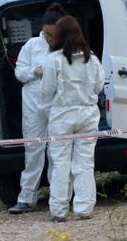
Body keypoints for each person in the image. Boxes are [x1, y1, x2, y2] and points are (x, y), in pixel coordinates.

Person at [41, 16, 105, 222]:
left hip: (62, 115)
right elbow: (99, 87)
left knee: (60, 163)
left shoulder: (54, 59)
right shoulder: (92, 59)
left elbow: (46, 89)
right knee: (85, 162)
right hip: (87, 114)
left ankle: (59, 210)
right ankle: (84, 207)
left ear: (59, 35)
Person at [8, 4, 66, 214]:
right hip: (33, 102)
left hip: (56, 103)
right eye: (47, 33)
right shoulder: (32, 45)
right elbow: (19, 72)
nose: (49, 38)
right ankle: (27, 197)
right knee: (33, 149)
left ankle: (58, 196)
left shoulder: (65, 47)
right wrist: (35, 70)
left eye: (54, 34)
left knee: (57, 150)